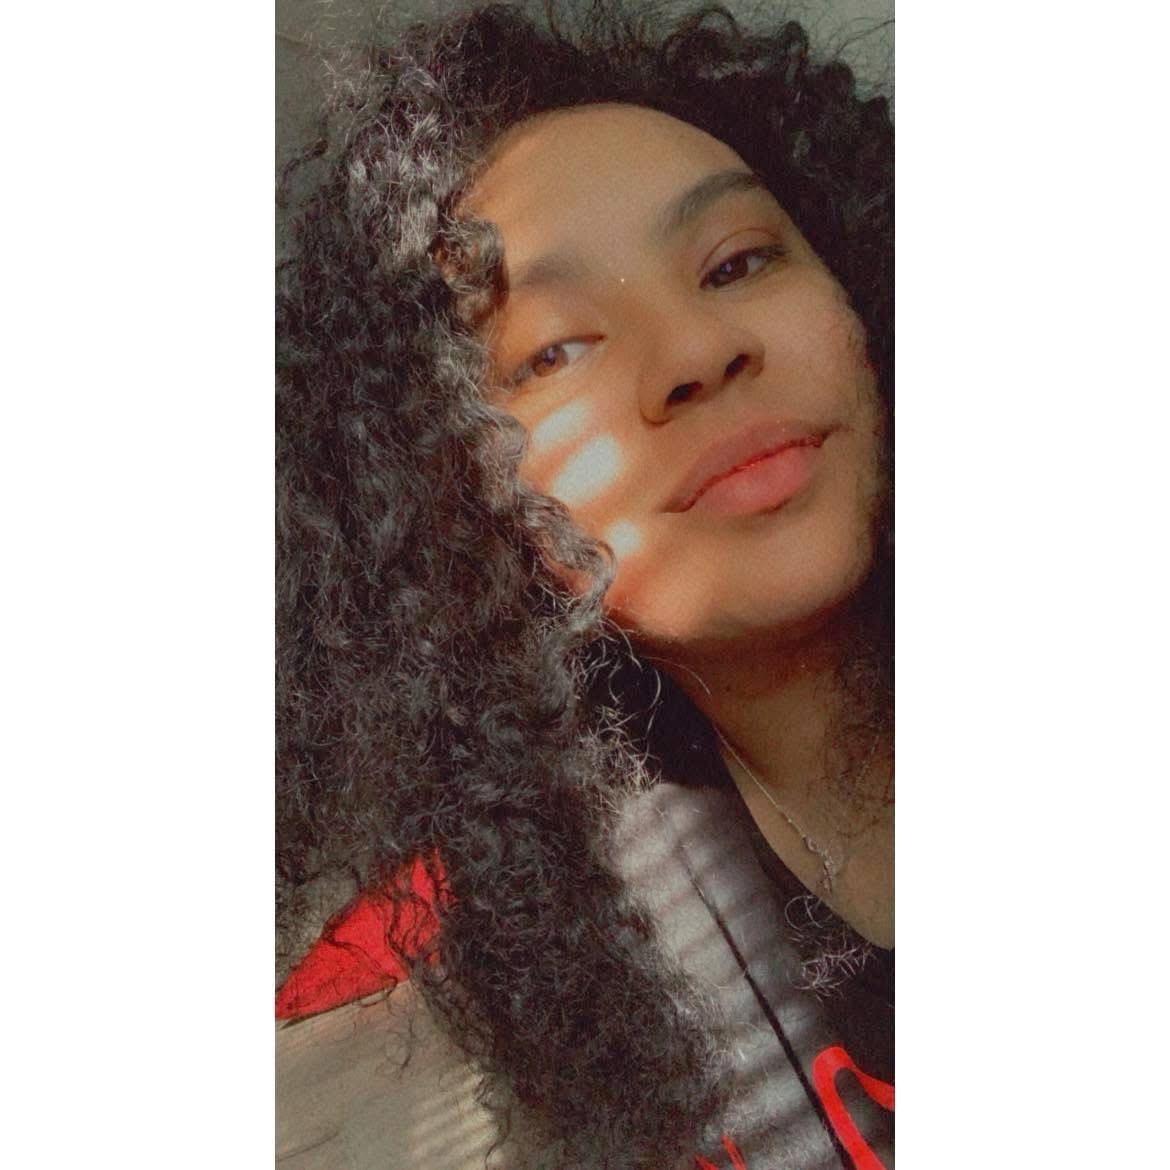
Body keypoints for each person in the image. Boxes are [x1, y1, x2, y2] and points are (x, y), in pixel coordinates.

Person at [275, 2, 893, 1167]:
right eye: (553, 350)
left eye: (738, 261)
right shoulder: (582, 951)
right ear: (458, 506)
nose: (696, 354)